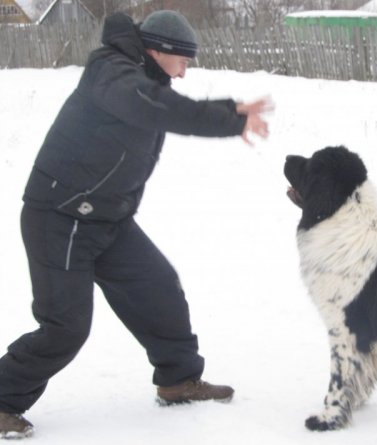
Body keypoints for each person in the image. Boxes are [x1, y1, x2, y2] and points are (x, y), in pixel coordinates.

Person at [0, 10, 271, 439]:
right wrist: (227, 118)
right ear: (159, 51)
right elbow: (153, 106)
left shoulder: (145, 81)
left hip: (108, 219)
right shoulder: (111, 73)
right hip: (61, 216)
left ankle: (178, 379)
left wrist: (225, 112)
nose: (184, 73)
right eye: (183, 60)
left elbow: (157, 105)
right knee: (65, 328)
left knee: (158, 287)